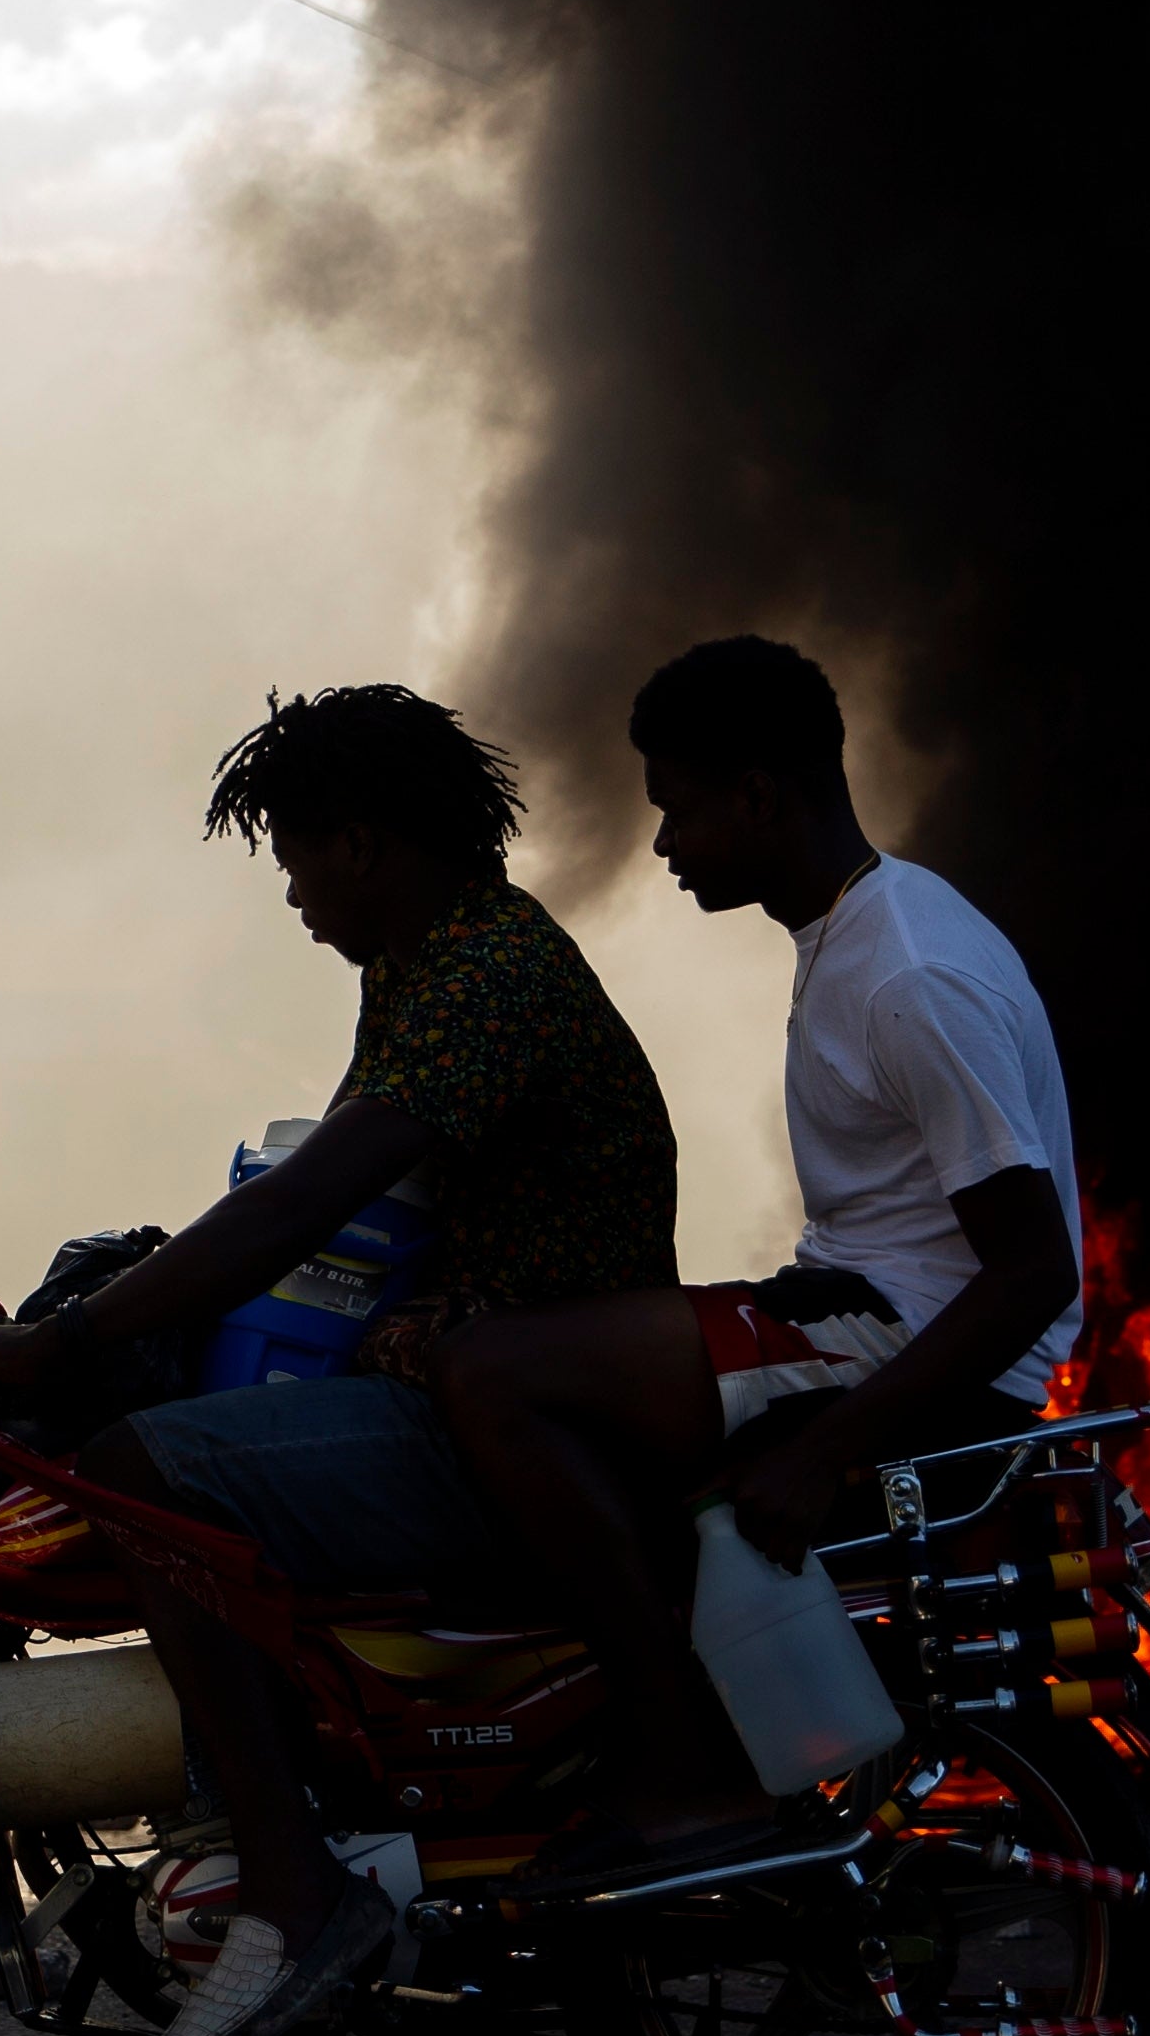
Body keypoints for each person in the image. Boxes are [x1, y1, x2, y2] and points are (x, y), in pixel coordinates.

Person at [0, 683, 678, 2036]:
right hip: (471, 1386)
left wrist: (69, 1342)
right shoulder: (426, 964)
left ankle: (298, 1890)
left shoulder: (483, 978)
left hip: (513, 1427)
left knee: (141, 1470)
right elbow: (332, 1213)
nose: (287, 888)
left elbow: (299, 1209)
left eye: (292, 851)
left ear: (363, 840)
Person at [432, 634, 1085, 1848]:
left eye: (676, 811)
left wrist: (823, 1453)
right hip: (854, 1307)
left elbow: (1032, 1272)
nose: (665, 843)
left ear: (758, 794)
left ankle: (682, 1757)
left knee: (493, 1375)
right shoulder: (856, 930)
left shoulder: (911, 974)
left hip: (911, 1344)